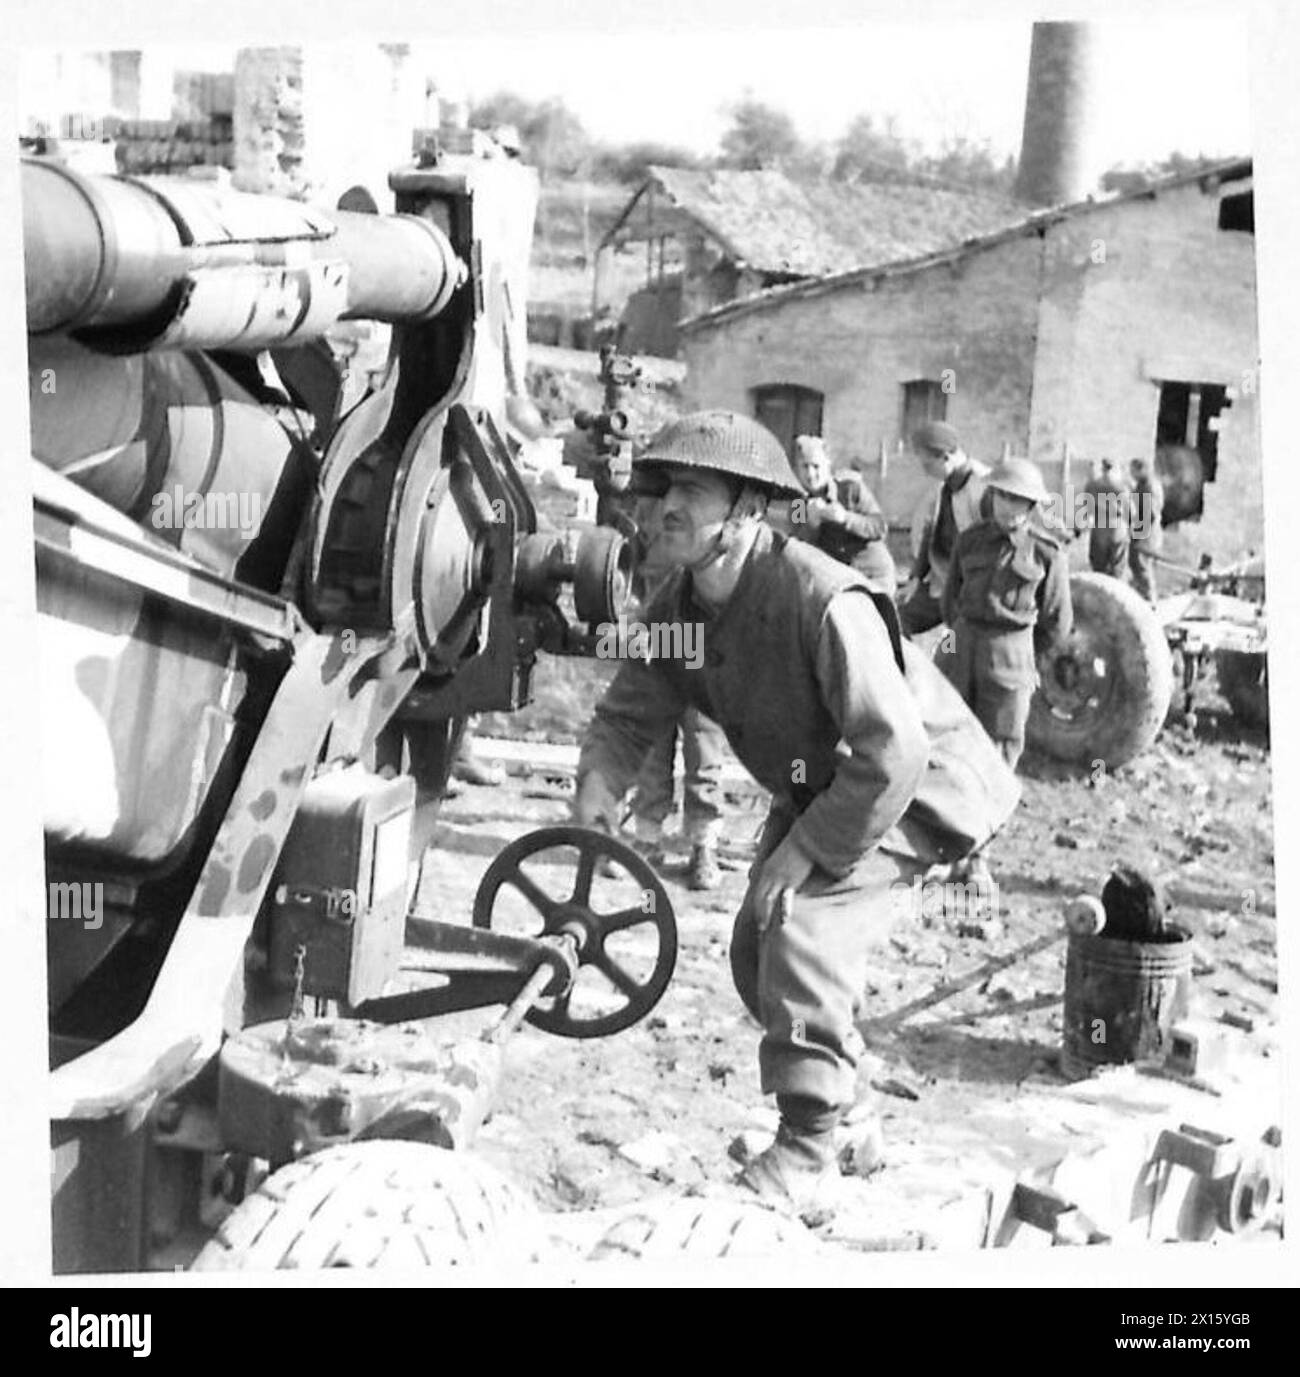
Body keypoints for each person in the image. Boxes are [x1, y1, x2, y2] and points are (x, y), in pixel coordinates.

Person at [572, 410, 1020, 1212]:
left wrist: (805, 848)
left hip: (919, 779)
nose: (666, 506)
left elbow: (895, 748)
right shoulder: (680, 605)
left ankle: (808, 1152)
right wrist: (594, 802)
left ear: (746, 512)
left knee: (801, 922)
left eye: (692, 492)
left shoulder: (820, 596)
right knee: (755, 948)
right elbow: (628, 717)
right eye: (663, 488)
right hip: (837, 779)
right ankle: (853, 1118)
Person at [941, 457, 1074, 773]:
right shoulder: (970, 540)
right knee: (949, 736)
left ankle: (989, 819)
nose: (1006, 505)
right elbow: (950, 600)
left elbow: (1057, 621)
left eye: (1016, 499)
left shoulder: (1046, 553)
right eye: (1002, 495)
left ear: (1031, 505)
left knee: (998, 748)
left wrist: (1025, 656)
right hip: (961, 651)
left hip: (1009, 658)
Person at [898, 421, 990, 636]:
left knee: (955, 653)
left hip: (975, 589)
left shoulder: (982, 487)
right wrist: (915, 580)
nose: (926, 473)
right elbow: (930, 534)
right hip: (943, 583)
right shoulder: (943, 488)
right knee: (894, 619)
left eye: (928, 466)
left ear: (946, 457)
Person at [788, 435, 896, 598]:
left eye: (816, 466)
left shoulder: (850, 488)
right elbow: (798, 548)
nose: (810, 474)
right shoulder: (799, 502)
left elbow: (879, 527)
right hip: (839, 580)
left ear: (828, 465)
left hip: (873, 576)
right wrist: (811, 524)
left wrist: (845, 518)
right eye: (804, 466)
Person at [1082, 458, 1131, 580]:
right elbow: (1131, 509)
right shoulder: (1122, 486)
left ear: (1102, 468)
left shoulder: (1093, 485)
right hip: (1118, 528)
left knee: (1099, 568)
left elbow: (1087, 508)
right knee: (1118, 568)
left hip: (1100, 528)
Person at [1128, 456, 1165, 603]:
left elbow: (1151, 514)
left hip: (1146, 535)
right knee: (1137, 567)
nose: (1131, 475)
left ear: (1141, 470)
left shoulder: (1149, 486)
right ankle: (1142, 598)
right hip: (1142, 532)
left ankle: (1149, 601)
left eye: (1133, 471)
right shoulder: (1143, 484)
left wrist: (1137, 535)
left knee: (1142, 568)